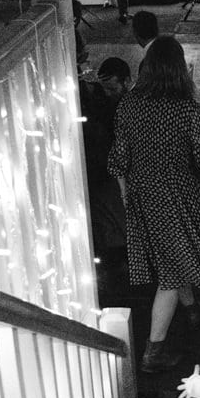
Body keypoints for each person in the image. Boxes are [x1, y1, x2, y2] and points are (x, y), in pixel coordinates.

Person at [109, 37, 200, 372]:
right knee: (171, 271)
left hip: (140, 196)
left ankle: (192, 308)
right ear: (180, 69)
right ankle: (154, 351)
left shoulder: (129, 105)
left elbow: (119, 159)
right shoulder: (186, 109)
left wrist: (126, 194)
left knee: (173, 257)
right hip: (177, 196)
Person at [79, 56, 130, 269]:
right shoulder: (108, 107)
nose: (109, 93)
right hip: (104, 174)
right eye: (107, 88)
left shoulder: (112, 106)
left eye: (112, 88)